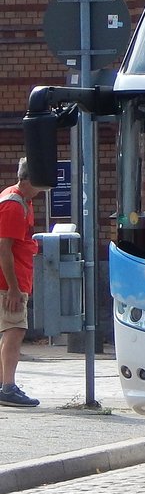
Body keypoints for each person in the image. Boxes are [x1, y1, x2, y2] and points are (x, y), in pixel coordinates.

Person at [0, 158, 48, 407]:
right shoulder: (14, 205)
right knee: (14, 331)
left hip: (16, 280)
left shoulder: (21, 200)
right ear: (30, 178)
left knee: (10, 332)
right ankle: (7, 387)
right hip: (10, 284)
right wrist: (13, 290)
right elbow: (4, 249)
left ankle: (4, 385)